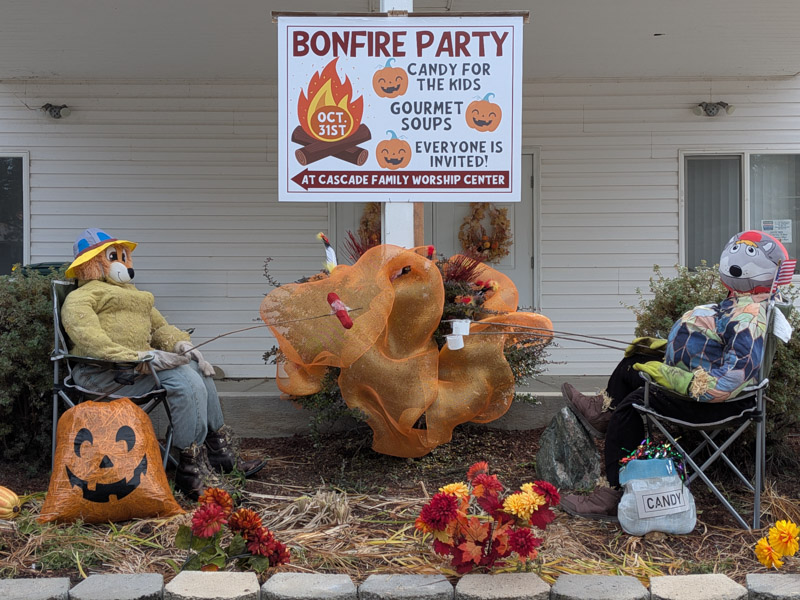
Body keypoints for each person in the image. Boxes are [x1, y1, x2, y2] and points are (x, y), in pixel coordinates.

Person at [560, 230, 790, 520]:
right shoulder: (745, 301)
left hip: (714, 401)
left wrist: (678, 378)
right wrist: (669, 351)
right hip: (704, 383)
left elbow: (734, 376)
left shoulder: (751, 315)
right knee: (636, 360)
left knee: (633, 404)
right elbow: (718, 343)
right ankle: (604, 413)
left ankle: (616, 493)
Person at [61, 228, 265, 499]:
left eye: (123, 256)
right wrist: (140, 357)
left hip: (136, 370)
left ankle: (219, 453)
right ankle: (189, 469)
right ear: (92, 264)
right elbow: (90, 340)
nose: (123, 264)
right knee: (183, 381)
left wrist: (181, 344)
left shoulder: (135, 294)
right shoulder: (81, 298)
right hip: (103, 373)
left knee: (198, 371)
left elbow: (160, 327)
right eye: (113, 257)